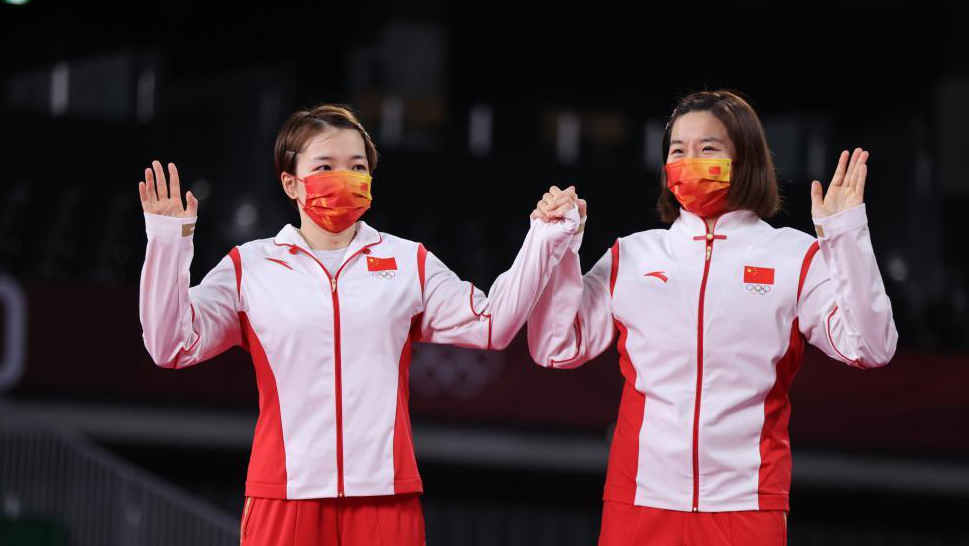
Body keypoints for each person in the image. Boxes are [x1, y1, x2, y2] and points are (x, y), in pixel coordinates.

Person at [137, 104, 582, 545]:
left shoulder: (408, 262)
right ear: (290, 182)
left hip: (385, 499)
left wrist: (543, 237)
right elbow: (170, 345)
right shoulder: (249, 267)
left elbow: (493, 324)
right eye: (325, 166)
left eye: (356, 167)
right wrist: (167, 243)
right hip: (285, 496)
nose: (344, 177)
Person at [528, 90, 898, 546]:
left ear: (745, 159)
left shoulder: (794, 257)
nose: (689, 162)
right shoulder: (633, 256)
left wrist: (845, 235)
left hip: (746, 506)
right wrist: (560, 251)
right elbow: (555, 346)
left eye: (708, 148)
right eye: (677, 151)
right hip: (639, 501)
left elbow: (871, 346)